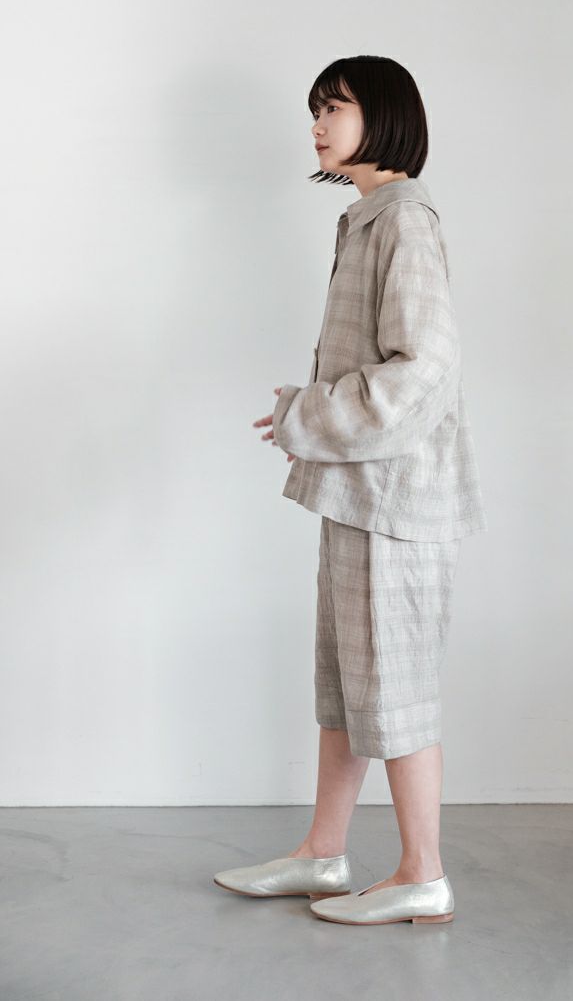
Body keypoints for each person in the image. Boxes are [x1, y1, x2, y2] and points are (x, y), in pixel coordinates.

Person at [214, 56, 488, 926]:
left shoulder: (404, 218)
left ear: (386, 115)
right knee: (348, 683)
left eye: (334, 107)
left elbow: (425, 369)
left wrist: (310, 412)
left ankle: (422, 874)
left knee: (396, 689)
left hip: (398, 504)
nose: (318, 125)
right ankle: (322, 854)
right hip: (361, 495)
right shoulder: (368, 217)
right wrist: (313, 423)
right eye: (316, 110)